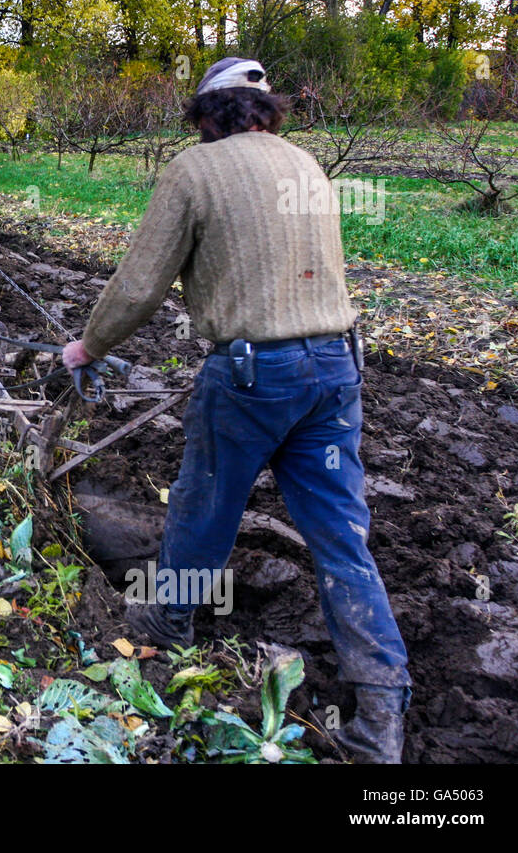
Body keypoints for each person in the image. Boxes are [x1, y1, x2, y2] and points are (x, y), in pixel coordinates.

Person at [62, 57, 411, 764]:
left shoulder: (196, 171)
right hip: (336, 369)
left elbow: (138, 287)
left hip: (254, 375)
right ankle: (380, 711)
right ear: (263, 111)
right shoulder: (309, 165)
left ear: (207, 116)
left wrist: (87, 345)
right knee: (342, 538)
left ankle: (169, 619)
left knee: (203, 503)